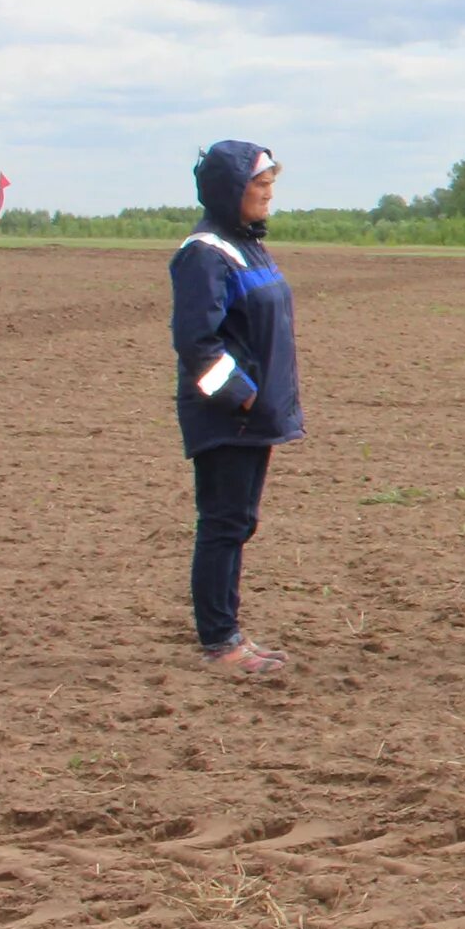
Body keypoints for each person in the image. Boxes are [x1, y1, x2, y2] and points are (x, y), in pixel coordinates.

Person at [170, 141, 304, 674]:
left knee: (238, 522)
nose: (269, 193)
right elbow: (198, 345)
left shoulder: (246, 245)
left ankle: (229, 635)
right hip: (229, 420)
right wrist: (243, 395)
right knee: (223, 524)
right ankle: (220, 643)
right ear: (229, 191)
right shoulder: (205, 252)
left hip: (255, 418)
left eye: (271, 182)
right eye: (258, 184)